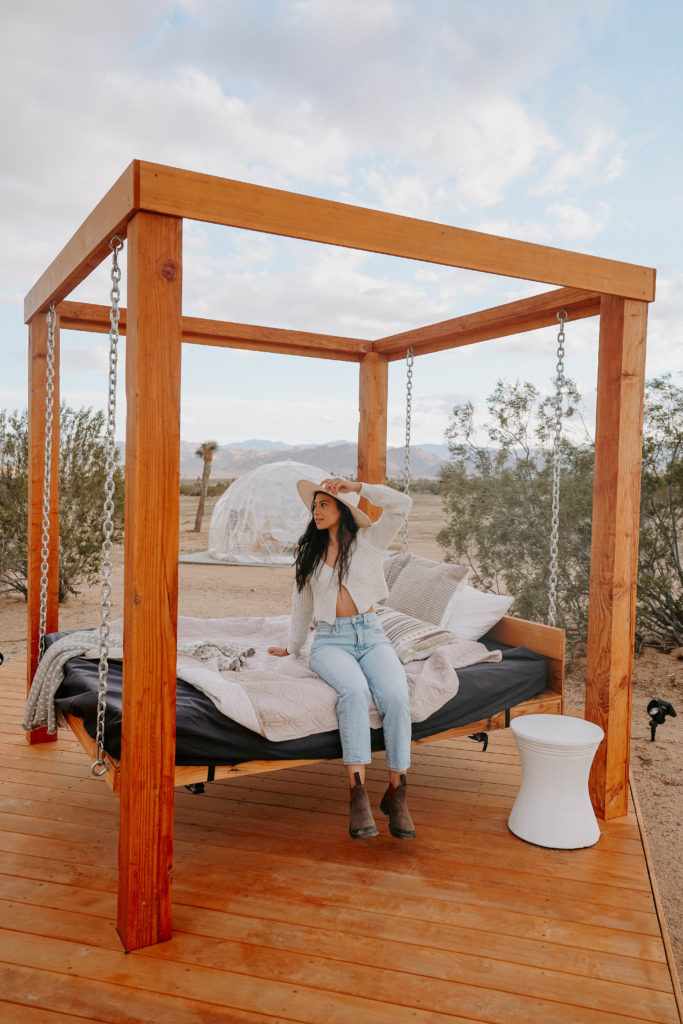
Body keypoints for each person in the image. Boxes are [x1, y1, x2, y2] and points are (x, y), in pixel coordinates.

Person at [268, 476, 415, 840]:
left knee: (396, 696)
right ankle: (358, 794)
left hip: (372, 635)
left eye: (323, 505)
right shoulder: (310, 554)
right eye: (315, 506)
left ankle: (398, 793)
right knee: (353, 692)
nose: (316, 511)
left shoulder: (368, 542)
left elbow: (402, 505)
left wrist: (357, 487)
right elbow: (301, 605)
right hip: (331, 642)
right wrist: (292, 646)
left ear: (342, 510)